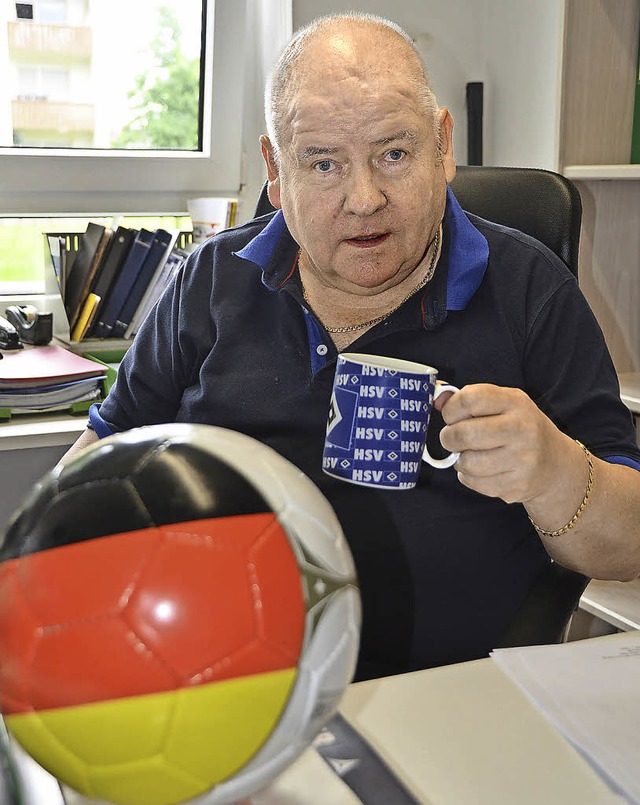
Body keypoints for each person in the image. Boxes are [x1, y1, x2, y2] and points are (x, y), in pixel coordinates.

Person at [64, 13, 640, 679]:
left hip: (446, 692)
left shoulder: (529, 287)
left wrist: (554, 471)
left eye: (394, 154)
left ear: (443, 146)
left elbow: (627, 549)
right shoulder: (209, 282)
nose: (364, 199)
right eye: (324, 163)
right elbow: (92, 471)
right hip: (216, 680)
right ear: (276, 173)